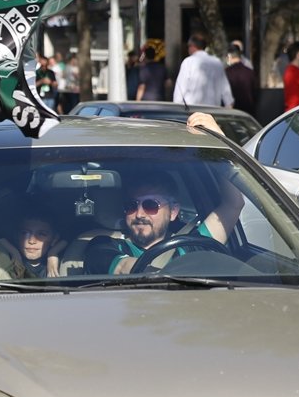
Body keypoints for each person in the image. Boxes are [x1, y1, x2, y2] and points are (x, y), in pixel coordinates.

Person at [89, 112, 243, 275]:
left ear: (173, 211)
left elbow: (234, 204)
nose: (139, 214)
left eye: (150, 205)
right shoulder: (104, 245)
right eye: (131, 205)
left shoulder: (191, 245)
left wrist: (219, 144)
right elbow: (122, 267)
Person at [0, 214, 65, 279]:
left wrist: (52, 253)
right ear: (17, 236)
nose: (31, 241)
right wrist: (14, 252)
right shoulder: (7, 262)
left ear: (54, 240)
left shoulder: (62, 264)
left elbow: (75, 228)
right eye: (25, 233)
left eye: (41, 234)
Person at [173, 33, 233, 108]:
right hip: (214, 111)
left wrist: (177, 107)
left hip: (191, 111)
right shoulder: (217, 62)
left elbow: (180, 89)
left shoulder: (188, 62)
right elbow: (226, 91)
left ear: (192, 46)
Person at [224, 43, 257, 114]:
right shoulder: (250, 72)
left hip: (232, 113)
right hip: (249, 114)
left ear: (229, 56)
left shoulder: (227, 72)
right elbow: (255, 94)